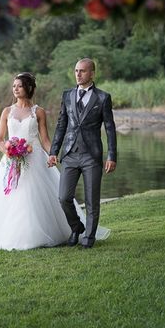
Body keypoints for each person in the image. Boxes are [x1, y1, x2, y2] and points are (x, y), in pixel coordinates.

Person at [0, 72, 109, 250]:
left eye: (19, 86)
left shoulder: (38, 112)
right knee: (11, 196)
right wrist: (8, 151)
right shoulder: (7, 111)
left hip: (35, 158)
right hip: (11, 161)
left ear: (28, 88)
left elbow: (44, 139)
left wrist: (53, 154)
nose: (15, 89)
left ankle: (54, 231)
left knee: (38, 196)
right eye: (13, 86)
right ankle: (9, 235)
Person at [48, 58, 117, 249]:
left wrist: (112, 155)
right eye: (76, 70)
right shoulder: (67, 95)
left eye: (83, 71)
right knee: (63, 197)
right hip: (69, 154)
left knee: (92, 200)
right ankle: (77, 227)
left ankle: (89, 237)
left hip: (91, 156)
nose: (78, 74)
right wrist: (54, 151)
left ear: (92, 74)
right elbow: (61, 125)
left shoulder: (103, 98)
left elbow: (110, 128)